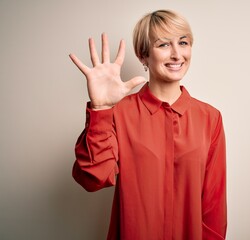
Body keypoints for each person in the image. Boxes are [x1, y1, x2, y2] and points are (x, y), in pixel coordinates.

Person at [69, 9, 227, 240]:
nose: (176, 54)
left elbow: (214, 206)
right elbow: (93, 178)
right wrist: (101, 108)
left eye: (183, 42)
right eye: (163, 45)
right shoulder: (118, 113)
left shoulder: (210, 118)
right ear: (143, 55)